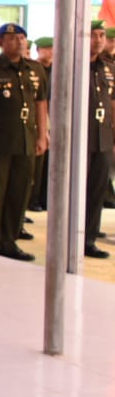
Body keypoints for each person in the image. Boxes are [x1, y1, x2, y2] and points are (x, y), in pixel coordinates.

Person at [0, 23, 48, 262]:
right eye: (13, 38)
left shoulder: (35, 69)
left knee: (19, 191)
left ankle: (9, 238)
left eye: (22, 38)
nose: (19, 42)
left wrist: (43, 135)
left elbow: (40, 103)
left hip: (25, 138)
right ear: (1, 42)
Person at [83, 20, 115, 260]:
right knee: (76, 192)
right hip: (80, 139)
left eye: (101, 35)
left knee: (96, 192)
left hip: (102, 137)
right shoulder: (74, 65)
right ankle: (71, 237)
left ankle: (89, 238)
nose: (97, 39)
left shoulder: (107, 67)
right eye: (93, 34)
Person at [28, 36, 54, 211]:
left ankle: (45, 198)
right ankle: (33, 200)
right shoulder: (34, 70)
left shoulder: (57, 69)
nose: (51, 52)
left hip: (53, 121)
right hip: (36, 121)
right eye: (47, 48)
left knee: (48, 166)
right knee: (34, 167)